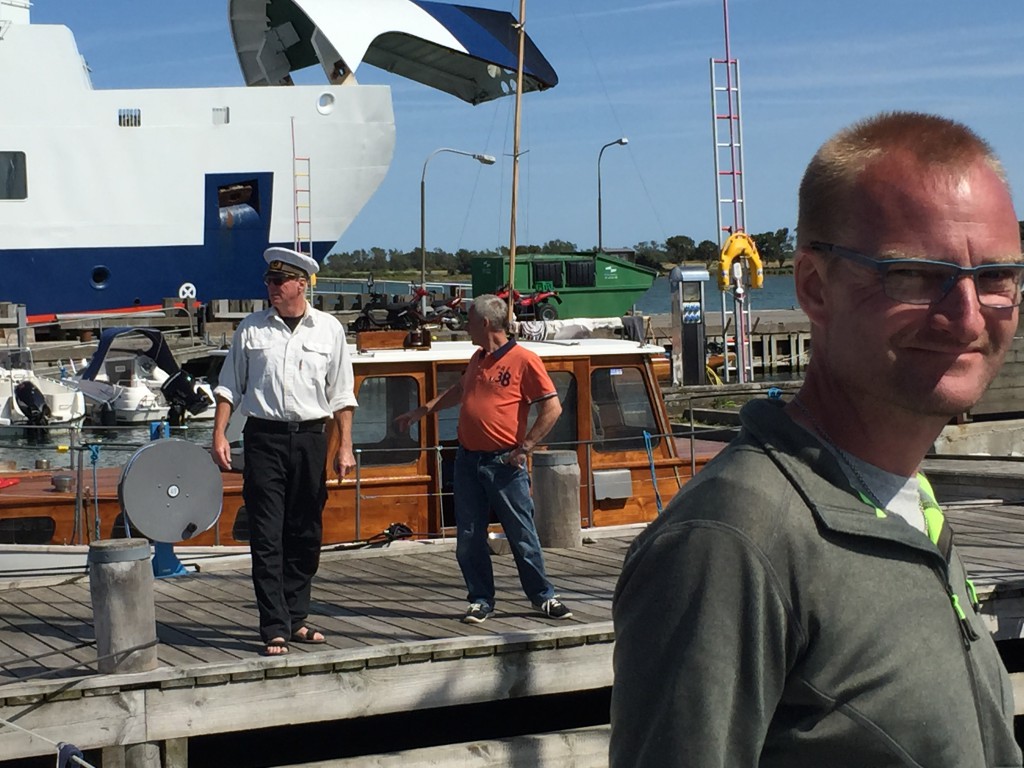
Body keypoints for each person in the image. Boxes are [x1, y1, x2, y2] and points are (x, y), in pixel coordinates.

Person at [610, 111, 1024, 766]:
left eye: (997, 276)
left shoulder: (907, 501)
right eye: (914, 273)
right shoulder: (730, 543)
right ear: (813, 286)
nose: (968, 314)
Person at [212, 246, 357, 657]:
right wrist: (219, 434)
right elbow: (228, 387)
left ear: (300, 284)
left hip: (312, 438)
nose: (271, 288)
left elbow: (342, 396)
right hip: (264, 439)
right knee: (267, 533)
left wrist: (344, 446)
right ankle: (274, 625)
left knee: (306, 532)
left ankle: (297, 617)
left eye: (278, 282)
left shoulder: (329, 330)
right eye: (268, 282)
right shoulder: (251, 330)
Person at [394, 293, 573, 623]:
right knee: (469, 535)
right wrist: (422, 411)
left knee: (521, 533)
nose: (465, 328)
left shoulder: (524, 360)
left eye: (470, 322)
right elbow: (461, 391)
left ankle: (543, 595)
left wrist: (526, 446)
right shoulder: (478, 357)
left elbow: (552, 407)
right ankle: (480, 598)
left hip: (504, 463)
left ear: (486, 323)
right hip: (467, 462)